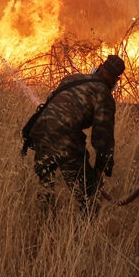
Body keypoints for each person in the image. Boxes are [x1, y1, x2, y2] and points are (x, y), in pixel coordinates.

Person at [27, 55, 125, 215]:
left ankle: (45, 230)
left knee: (46, 187)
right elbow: (103, 138)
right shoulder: (104, 96)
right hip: (65, 140)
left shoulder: (71, 78)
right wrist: (101, 170)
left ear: (99, 67)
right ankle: (81, 238)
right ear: (116, 80)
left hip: (40, 132)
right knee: (90, 199)